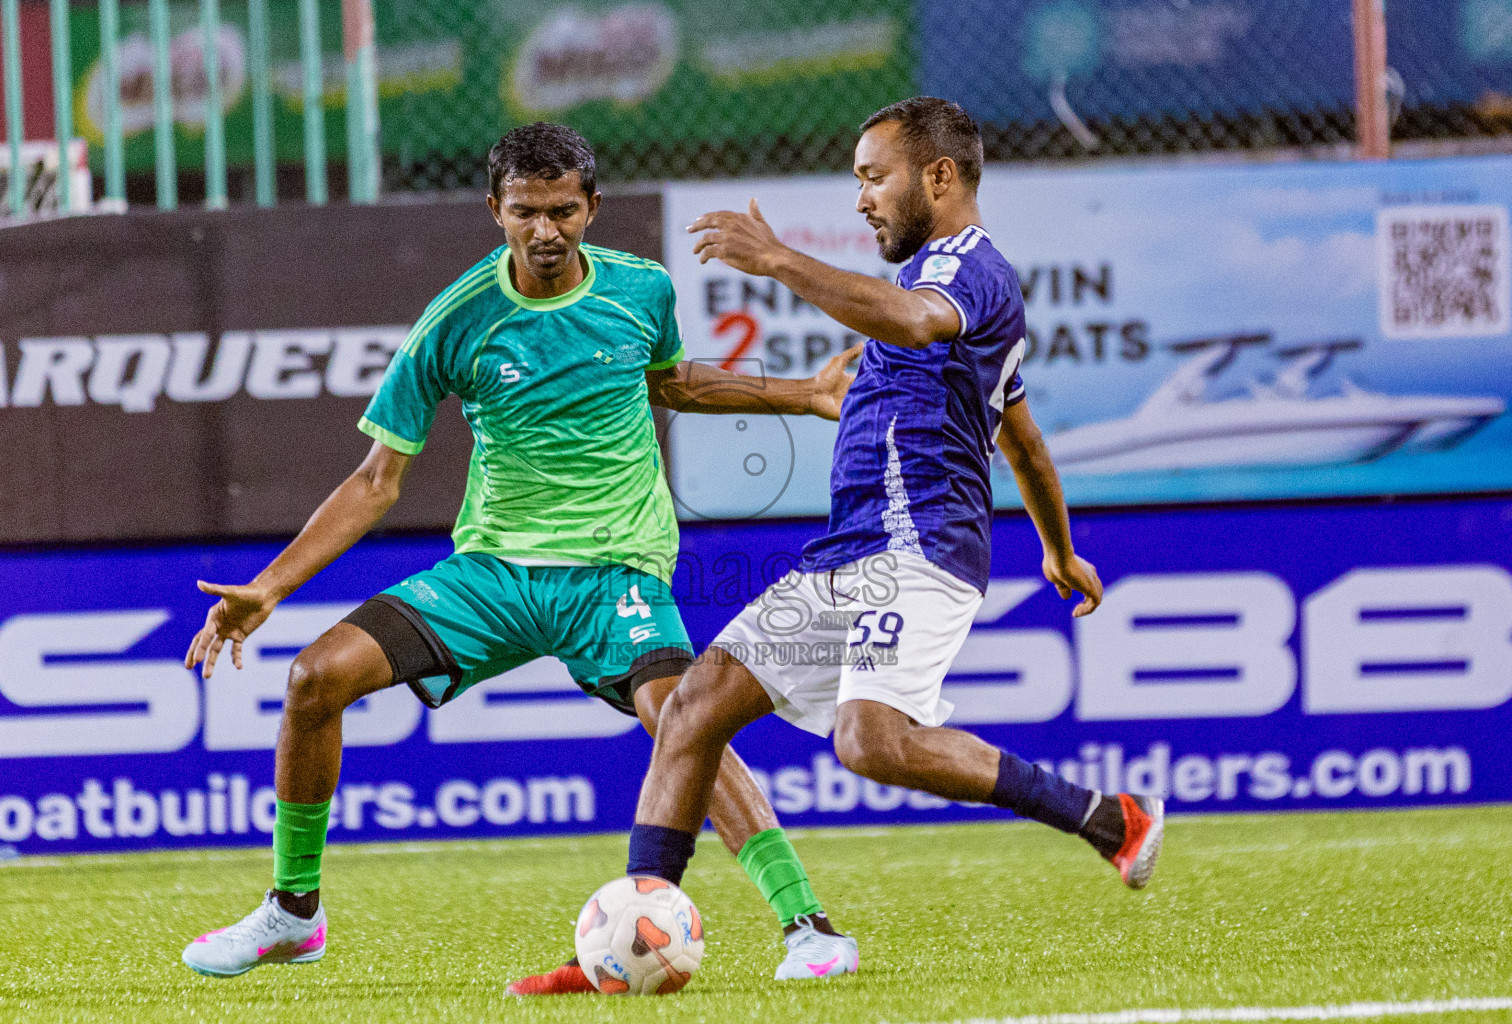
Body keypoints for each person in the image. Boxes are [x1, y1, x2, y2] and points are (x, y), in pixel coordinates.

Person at [179, 122, 861, 987]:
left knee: (684, 716)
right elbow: (376, 480)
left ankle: (808, 926)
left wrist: (802, 395)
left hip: (615, 569)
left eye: (564, 211)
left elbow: (670, 381)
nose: (546, 231)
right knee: (315, 678)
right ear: (495, 210)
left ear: (592, 207)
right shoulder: (455, 321)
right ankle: (292, 914)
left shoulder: (641, 290)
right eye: (526, 212)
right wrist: (269, 588)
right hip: (493, 573)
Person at [618, 98, 1165, 921]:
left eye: (875, 177)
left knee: (870, 740)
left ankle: (1105, 816)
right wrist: (1058, 548)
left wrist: (775, 259)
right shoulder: (934, 286)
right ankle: (638, 923)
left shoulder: (967, 269)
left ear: (939, 176)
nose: (862, 198)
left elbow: (913, 323)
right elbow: (1024, 443)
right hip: (852, 552)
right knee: (694, 708)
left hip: (919, 549)